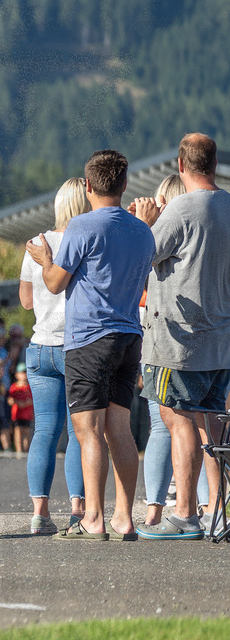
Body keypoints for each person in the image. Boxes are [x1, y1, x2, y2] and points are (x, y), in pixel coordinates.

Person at [26, 149, 154, 541]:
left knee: (88, 431)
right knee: (121, 429)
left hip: (88, 338)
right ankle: (125, 519)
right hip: (130, 335)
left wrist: (45, 258)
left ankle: (94, 518)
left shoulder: (82, 227)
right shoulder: (142, 230)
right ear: (125, 184)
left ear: (88, 186)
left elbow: (53, 283)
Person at [130, 134, 230, 540]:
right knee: (212, 423)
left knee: (177, 416)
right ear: (214, 162)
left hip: (179, 339)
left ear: (180, 164)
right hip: (221, 337)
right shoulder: (227, 205)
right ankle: (216, 510)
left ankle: (185, 513)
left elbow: (140, 257)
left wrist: (144, 222)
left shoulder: (180, 210)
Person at [18, 177, 89, 534]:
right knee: (79, 433)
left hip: (39, 347)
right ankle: (78, 511)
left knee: (44, 430)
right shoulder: (87, 241)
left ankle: (40, 513)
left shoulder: (36, 243)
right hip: (75, 347)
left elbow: (27, 301)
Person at [136, 173, 185, 527]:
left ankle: (155, 509)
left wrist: (143, 225)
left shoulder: (164, 232)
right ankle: (195, 504)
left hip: (164, 340)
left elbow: (136, 270)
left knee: (161, 423)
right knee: (198, 425)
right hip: (205, 339)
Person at [8, 364, 33, 453]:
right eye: (22, 373)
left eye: (26, 373)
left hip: (27, 414)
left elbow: (33, 400)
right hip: (17, 414)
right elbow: (10, 399)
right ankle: (19, 450)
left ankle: (27, 450)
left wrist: (27, 403)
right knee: (18, 431)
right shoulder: (14, 387)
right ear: (17, 375)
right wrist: (18, 403)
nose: (24, 375)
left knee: (27, 432)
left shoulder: (30, 387)